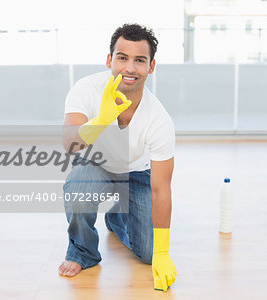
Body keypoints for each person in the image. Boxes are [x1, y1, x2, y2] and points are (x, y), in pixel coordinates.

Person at [58, 23, 177, 292]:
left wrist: (162, 252)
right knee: (77, 188)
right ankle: (83, 252)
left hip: (136, 173)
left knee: (147, 254)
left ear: (151, 66)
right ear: (110, 60)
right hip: (95, 164)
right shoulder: (86, 89)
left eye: (140, 60)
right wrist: (101, 120)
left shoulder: (159, 119)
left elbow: (160, 189)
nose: (130, 68)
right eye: (122, 58)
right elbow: (69, 143)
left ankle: (116, 218)